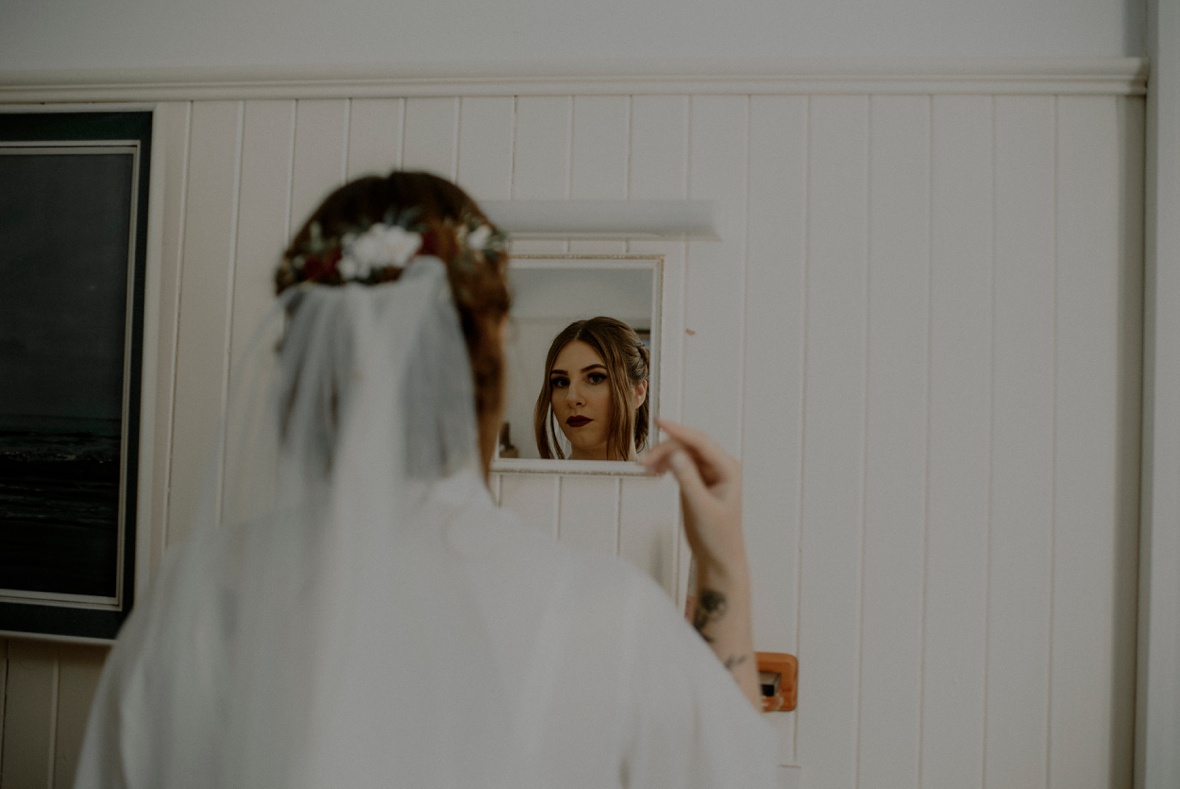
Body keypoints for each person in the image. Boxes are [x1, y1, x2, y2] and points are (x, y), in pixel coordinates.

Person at [74, 171, 776, 788]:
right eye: (561, 379)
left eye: (594, 379)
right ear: (495, 350)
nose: (573, 396)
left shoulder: (191, 596)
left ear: (303, 357)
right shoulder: (607, 615)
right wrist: (726, 568)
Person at [533, 316, 650, 461]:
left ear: (638, 392)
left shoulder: (669, 483)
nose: (572, 397)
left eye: (595, 378)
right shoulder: (531, 483)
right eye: (562, 382)